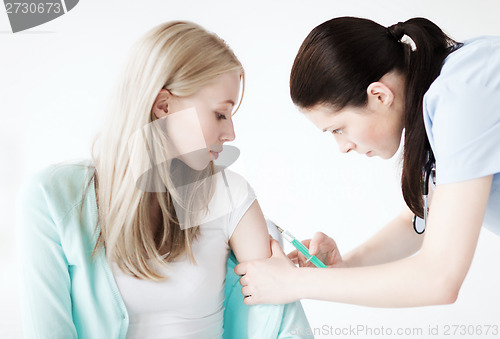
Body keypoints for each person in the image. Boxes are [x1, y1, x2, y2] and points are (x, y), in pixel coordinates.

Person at [16, 21, 312, 338]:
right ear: (164, 106)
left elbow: (282, 321)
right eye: (220, 114)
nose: (231, 134)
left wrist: (308, 278)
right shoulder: (53, 197)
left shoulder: (231, 195)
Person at [235, 16, 500, 307]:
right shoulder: (438, 100)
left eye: (338, 129)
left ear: (379, 95)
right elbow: (416, 221)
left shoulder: (463, 93)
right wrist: (345, 266)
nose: (343, 147)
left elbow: (439, 279)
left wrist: (292, 283)